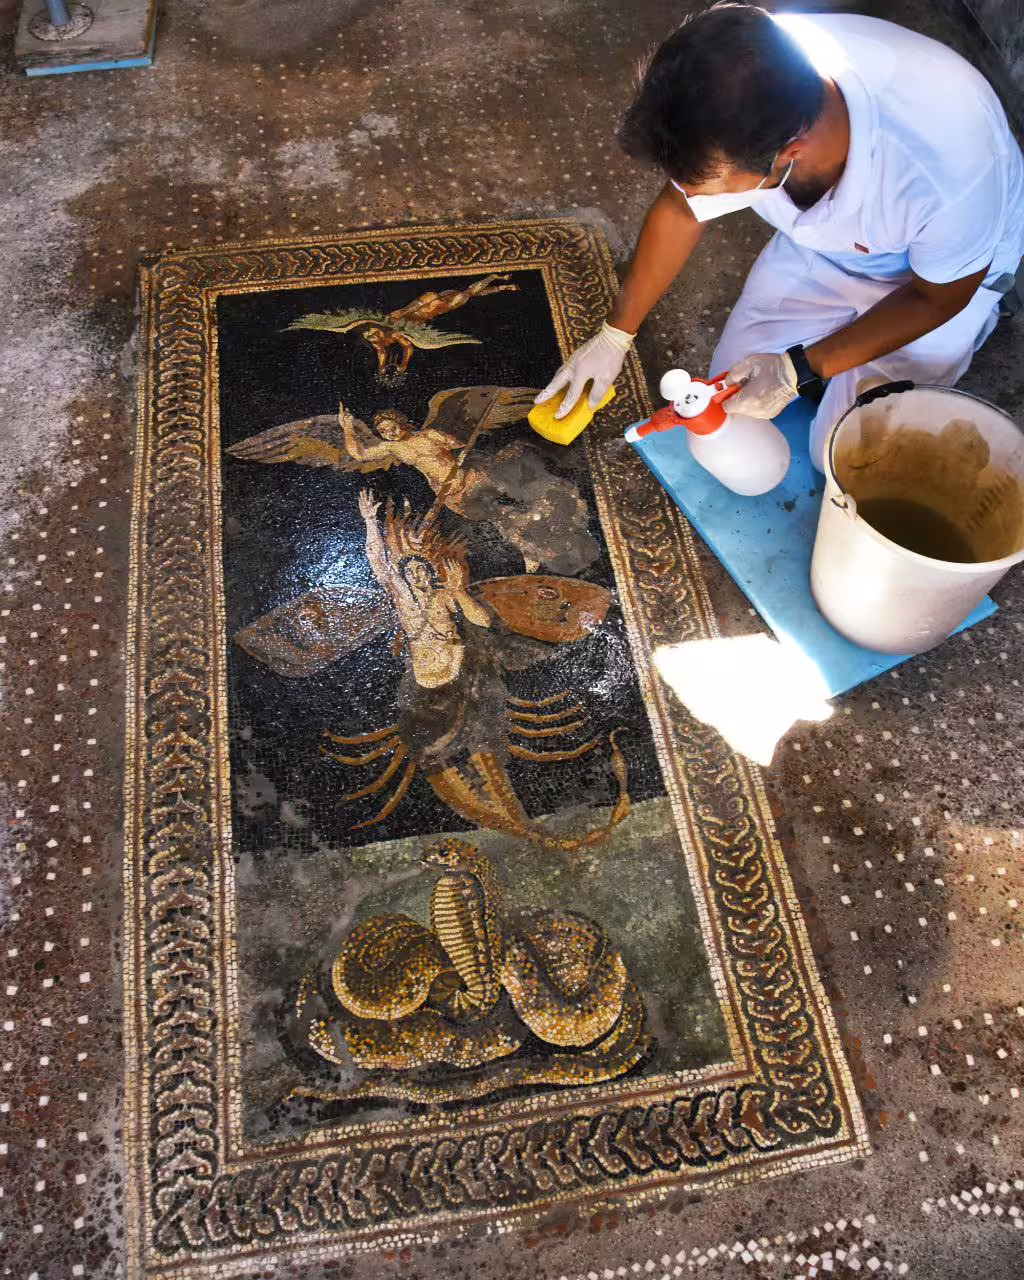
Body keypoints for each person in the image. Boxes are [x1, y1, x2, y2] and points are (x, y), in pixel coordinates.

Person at [535, 3, 1024, 470]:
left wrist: (800, 368)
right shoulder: (751, 66)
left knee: (842, 456)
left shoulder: (949, 170)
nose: (693, 192)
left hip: (939, 284)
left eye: (712, 182)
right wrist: (615, 334)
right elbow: (683, 208)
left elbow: (936, 298)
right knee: (724, 406)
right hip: (825, 250)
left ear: (789, 154)